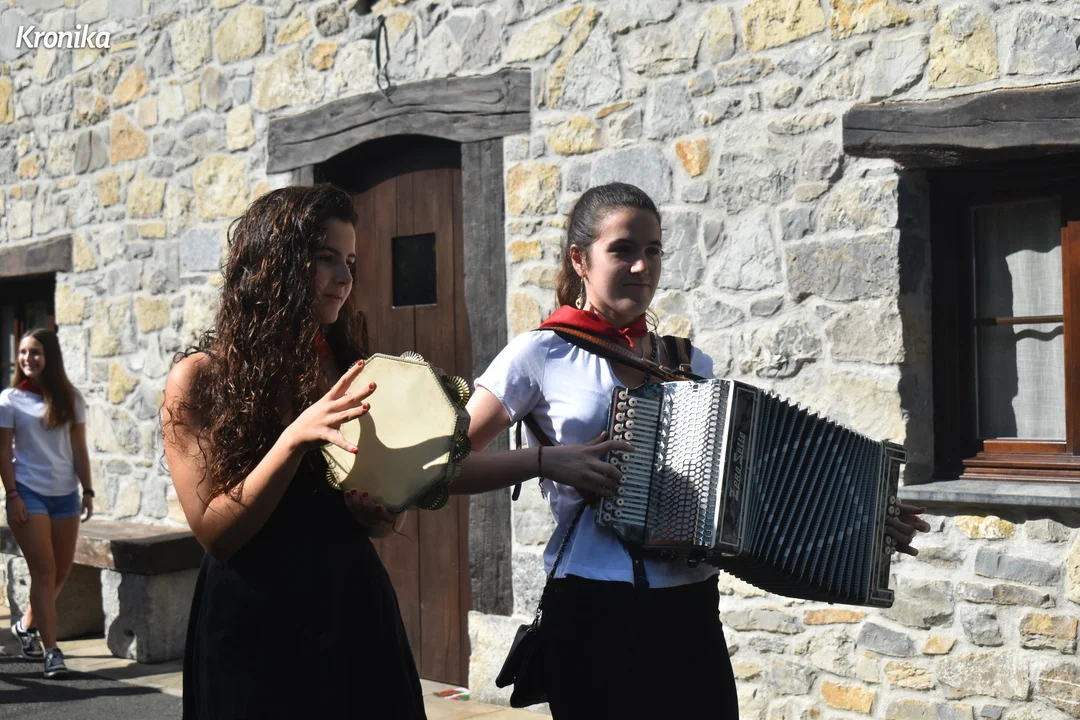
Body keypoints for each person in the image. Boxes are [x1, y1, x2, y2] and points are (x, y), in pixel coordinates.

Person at [451, 183, 929, 718]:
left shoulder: (689, 363)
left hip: (690, 610)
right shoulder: (540, 353)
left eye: (653, 250)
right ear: (579, 260)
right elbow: (443, 465)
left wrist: (867, 520)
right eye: (622, 250)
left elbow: (759, 484)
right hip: (592, 608)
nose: (642, 266)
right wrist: (545, 461)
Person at [162, 184, 426, 719]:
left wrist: (380, 512)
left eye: (350, 261)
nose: (345, 278)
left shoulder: (348, 366)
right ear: (273, 264)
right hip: (254, 631)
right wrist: (294, 437)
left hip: (351, 613)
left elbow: (373, 500)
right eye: (326, 258)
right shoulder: (199, 379)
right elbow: (215, 532)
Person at [0, 328, 94, 679]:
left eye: (35, 352)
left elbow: (79, 448)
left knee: (61, 572)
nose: (28, 358)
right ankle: (52, 651)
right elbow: (2, 453)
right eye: (23, 352)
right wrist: (12, 495)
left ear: (50, 356)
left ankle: (25, 625)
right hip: (28, 494)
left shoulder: (71, 398)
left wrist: (88, 490)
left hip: (65, 495)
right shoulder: (10, 399)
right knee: (44, 571)